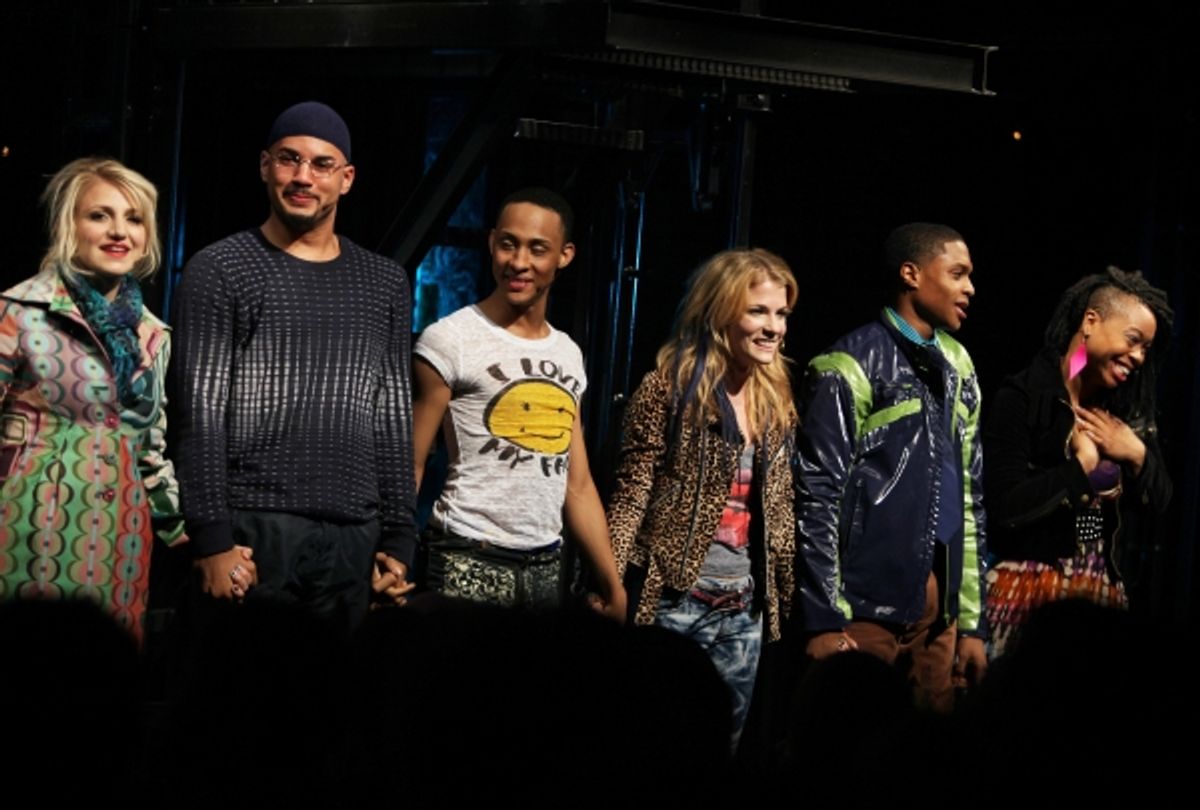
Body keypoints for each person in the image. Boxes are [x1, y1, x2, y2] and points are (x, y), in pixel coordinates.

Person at [172, 101, 416, 631]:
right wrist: (212, 537)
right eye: (289, 160)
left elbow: (393, 416)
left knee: (333, 707)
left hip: (355, 535)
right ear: (265, 166)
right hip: (253, 529)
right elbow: (199, 414)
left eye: (322, 164)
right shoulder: (220, 268)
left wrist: (400, 538)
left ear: (346, 179)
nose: (303, 177)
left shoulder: (384, 282)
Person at [607, 248, 798, 747]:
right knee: (652, 745)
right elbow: (631, 493)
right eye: (758, 310)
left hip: (743, 607)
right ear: (720, 311)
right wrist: (604, 584)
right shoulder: (667, 388)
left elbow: (782, 505)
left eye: (780, 313)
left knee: (720, 751)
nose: (773, 327)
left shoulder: (776, 395)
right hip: (674, 600)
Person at [794, 222, 987, 712]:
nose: (969, 288)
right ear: (912, 274)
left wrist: (970, 623)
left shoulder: (958, 364)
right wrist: (822, 618)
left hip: (937, 608)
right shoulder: (849, 363)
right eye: (958, 273)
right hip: (862, 605)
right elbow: (817, 497)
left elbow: (969, 495)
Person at [411, 187, 624, 618]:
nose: (519, 261)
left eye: (537, 249)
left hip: (545, 564)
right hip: (465, 553)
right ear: (492, 243)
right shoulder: (449, 339)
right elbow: (410, 462)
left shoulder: (568, 353)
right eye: (508, 244)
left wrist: (612, 584)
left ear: (564, 256)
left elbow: (577, 482)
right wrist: (391, 554)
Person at [0, 157, 185, 639]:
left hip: (117, 550)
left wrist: (194, 537)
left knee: (103, 694)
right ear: (69, 225)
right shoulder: (19, 313)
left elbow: (149, 452)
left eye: (134, 218)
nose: (119, 231)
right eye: (99, 215)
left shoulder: (152, 335)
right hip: (23, 542)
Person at [983, 267, 1172, 657]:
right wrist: (1079, 469)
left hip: (1098, 596)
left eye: (1146, 349)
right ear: (1091, 322)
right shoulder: (1025, 397)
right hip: (1027, 593)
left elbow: (1161, 505)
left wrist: (1136, 455)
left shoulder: (1125, 415)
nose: (1138, 357)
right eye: (1133, 340)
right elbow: (1004, 507)